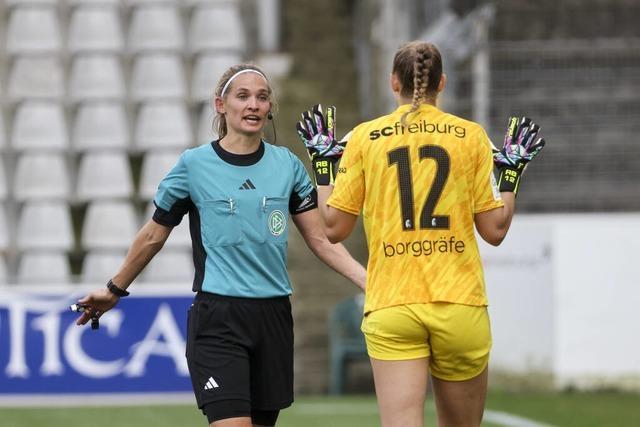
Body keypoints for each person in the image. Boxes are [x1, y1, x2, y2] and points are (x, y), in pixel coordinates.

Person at [75, 63, 367, 427]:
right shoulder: (194, 165)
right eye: (242, 96)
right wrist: (114, 289)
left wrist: (372, 282)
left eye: (262, 97)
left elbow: (323, 239)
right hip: (219, 318)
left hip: (273, 317)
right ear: (220, 105)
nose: (254, 105)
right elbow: (153, 235)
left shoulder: (287, 166)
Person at [296, 41, 545, 427]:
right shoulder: (470, 136)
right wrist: (510, 176)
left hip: (393, 303)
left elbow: (333, 227)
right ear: (441, 82)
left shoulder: (365, 137)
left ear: (393, 81)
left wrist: (324, 168)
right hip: (459, 302)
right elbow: (494, 231)